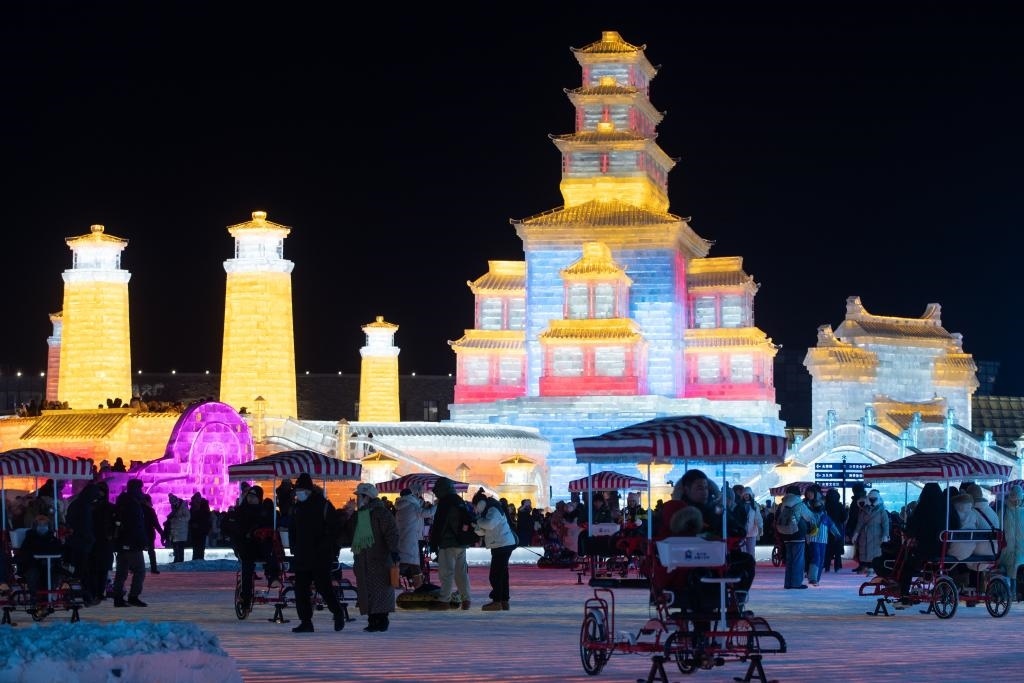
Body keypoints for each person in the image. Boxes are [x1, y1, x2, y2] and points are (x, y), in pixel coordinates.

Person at [287, 472, 347, 633]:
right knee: (301, 590)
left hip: (320, 556)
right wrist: (294, 547)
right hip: (302, 555)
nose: (299, 493)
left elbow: (335, 528)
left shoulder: (323, 505)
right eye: (297, 491)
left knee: (324, 587)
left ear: (309, 490)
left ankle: (337, 612)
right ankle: (306, 621)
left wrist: (325, 545)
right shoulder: (297, 507)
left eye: (301, 490)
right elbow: (292, 529)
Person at [348, 482, 399, 632]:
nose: (358, 499)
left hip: (379, 559)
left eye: (360, 496)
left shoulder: (380, 513)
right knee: (367, 589)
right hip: (363, 559)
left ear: (367, 497)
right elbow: (349, 533)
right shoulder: (360, 514)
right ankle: (372, 620)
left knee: (380, 590)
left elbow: (391, 533)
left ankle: (381, 620)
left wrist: (394, 551)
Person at [230, 485, 281, 611]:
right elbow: (236, 530)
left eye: (254, 497)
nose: (251, 499)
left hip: (261, 545)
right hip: (246, 546)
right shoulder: (241, 511)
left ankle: (273, 576)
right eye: (250, 496)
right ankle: (246, 599)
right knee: (247, 568)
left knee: (269, 550)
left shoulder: (264, 512)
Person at [427, 476, 472, 610]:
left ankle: (444, 600)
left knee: (446, 572)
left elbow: (439, 524)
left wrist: (434, 543)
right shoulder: (458, 500)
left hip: (448, 542)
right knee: (461, 573)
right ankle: (466, 599)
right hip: (461, 542)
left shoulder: (445, 502)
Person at [472, 490, 517, 611]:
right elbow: (485, 530)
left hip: (502, 545)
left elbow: (489, 524)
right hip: (500, 544)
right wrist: (476, 527)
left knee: (496, 575)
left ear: (480, 503)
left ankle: (497, 601)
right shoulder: (489, 509)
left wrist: (478, 521)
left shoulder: (493, 509)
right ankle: (503, 601)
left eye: (475, 506)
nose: (475, 509)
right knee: (502, 574)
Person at [112, 478, 149, 607]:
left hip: (121, 543)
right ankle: (133, 596)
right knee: (140, 570)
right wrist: (143, 541)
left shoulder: (122, 501)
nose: (142, 491)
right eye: (140, 488)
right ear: (135, 489)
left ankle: (118, 598)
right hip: (132, 544)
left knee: (121, 571)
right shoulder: (133, 505)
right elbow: (137, 527)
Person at [14, 514, 65, 607]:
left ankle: (50, 593)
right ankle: (35, 595)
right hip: (33, 566)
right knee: (33, 573)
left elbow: (59, 552)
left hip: (50, 566)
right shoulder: (29, 539)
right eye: (40, 525)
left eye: (44, 525)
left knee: (56, 573)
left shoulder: (53, 540)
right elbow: (24, 554)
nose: (42, 527)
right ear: (35, 526)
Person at [64, 481, 101, 605]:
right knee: (84, 572)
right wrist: (91, 539)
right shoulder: (85, 506)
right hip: (83, 544)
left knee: (79, 572)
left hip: (76, 542)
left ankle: (76, 595)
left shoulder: (76, 504)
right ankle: (86, 596)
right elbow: (85, 526)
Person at [776, 484, 817, 589]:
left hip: (785, 534)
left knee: (789, 559)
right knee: (798, 560)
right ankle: (796, 583)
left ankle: (788, 583)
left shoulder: (782, 504)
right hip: (797, 533)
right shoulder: (799, 503)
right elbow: (810, 517)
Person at [394, 487, 431, 589]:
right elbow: (427, 513)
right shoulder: (413, 507)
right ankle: (418, 586)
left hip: (402, 538)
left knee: (404, 561)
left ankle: (397, 581)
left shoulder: (399, 508)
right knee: (414, 564)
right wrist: (437, 506)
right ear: (411, 496)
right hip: (412, 539)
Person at [805, 491, 842, 586]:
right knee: (817, 558)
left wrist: (837, 534)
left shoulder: (815, 516)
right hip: (817, 540)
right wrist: (837, 535)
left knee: (820, 559)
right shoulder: (820, 516)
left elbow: (832, 526)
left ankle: (815, 579)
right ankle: (813, 578)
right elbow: (832, 527)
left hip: (819, 540)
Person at [851, 489, 890, 575]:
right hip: (865, 534)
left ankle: (872, 568)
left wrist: (885, 535)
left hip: (876, 535)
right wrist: (856, 534)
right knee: (864, 551)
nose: (872, 501)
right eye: (871, 499)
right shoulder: (864, 510)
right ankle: (866, 566)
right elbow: (860, 523)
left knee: (875, 552)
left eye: (874, 499)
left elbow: (885, 524)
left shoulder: (882, 511)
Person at [998, 484, 1024, 600]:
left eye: (1019, 499)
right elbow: (998, 528)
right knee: (1009, 569)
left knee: (1017, 568)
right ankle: (1009, 593)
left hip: (1021, 549)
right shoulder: (1003, 511)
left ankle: (1015, 593)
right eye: (1014, 498)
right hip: (1007, 548)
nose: (1017, 501)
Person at [823, 488, 847, 572]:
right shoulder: (839, 505)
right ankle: (837, 566)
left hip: (826, 528)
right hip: (837, 528)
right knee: (837, 549)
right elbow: (844, 517)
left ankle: (827, 566)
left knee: (827, 548)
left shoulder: (825, 505)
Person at [165, 494, 190, 562]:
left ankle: (180, 562)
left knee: (180, 548)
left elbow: (188, 517)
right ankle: (176, 560)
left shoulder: (183, 506)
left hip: (181, 531)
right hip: (175, 531)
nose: (172, 504)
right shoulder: (175, 506)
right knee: (176, 548)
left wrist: (177, 519)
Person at [188, 492, 212, 561]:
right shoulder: (194, 507)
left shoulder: (203, 506)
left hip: (201, 530)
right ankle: (197, 559)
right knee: (197, 547)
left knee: (199, 547)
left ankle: (199, 559)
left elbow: (206, 517)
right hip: (197, 530)